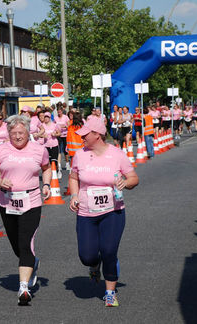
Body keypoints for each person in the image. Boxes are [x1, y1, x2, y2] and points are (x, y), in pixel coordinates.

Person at [68, 117, 139, 307]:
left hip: (113, 212)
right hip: (86, 212)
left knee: (109, 251)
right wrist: (74, 195)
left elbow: (133, 178)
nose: (81, 136)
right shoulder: (79, 155)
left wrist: (126, 182)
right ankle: (94, 264)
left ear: (97, 135)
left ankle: (110, 292)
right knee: (87, 256)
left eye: (85, 133)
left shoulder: (117, 154)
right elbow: (73, 178)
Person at [0, 114, 52, 306]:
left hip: (31, 200)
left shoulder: (39, 150)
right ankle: (33, 262)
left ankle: (23, 287)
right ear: (9, 134)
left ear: (28, 132)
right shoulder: (1, 149)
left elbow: (46, 168)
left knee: (25, 242)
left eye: (21, 133)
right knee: (16, 245)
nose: (18, 137)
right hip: (8, 202)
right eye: (14, 134)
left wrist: (46, 184)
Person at [41, 111, 61, 177]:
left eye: (47, 117)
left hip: (54, 144)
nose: (46, 119)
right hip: (46, 145)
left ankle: (57, 171)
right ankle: (50, 174)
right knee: (48, 161)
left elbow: (59, 133)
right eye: (45, 117)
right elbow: (40, 135)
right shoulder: (42, 125)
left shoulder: (54, 125)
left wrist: (55, 134)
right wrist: (43, 136)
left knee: (54, 161)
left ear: (50, 118)